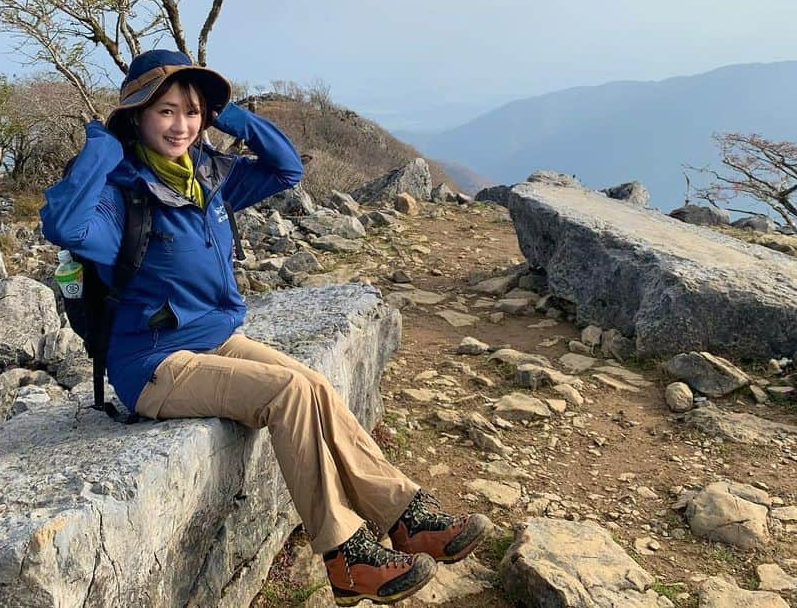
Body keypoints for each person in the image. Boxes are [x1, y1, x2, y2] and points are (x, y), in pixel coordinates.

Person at [41, 49, 489, 605]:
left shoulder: (207, 175)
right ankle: (344, 553)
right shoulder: (120, 194)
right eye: (165, 111)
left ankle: (403, 514)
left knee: (317, 386)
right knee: (289, 393)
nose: (181, 125)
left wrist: (231, 116)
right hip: (153, 364)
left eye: (192, 111)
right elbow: (62, 223)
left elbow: (286, 169)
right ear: (137, 114)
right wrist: (99, 149)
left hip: (213, 339)